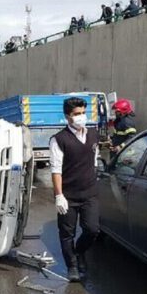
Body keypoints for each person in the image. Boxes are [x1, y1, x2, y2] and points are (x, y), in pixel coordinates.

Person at [50, 97, 100, 282]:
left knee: (92, 229)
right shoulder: (59, 139)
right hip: (68, 196)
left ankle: (79, 252)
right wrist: (59, 196)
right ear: (67, 117)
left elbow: (93, 159)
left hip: (89, 193)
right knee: (66, 233)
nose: (80, 117)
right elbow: (56, 170)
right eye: (76, 114)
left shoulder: (93, 134)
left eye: (82, 113)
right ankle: (72, 266)